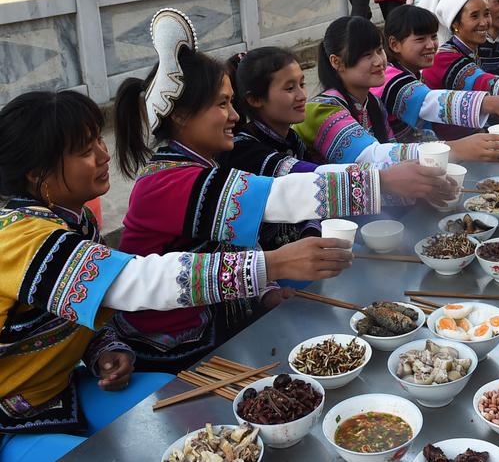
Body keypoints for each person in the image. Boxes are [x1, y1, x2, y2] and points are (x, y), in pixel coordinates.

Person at [0, 88, 356, 459]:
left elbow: (79, 312)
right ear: (37, 174)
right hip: (11, 419)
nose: (104, 155)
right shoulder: (18, 239)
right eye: (86, 150)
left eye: (98, 142)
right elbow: (134, 281)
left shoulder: (76, 221)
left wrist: (104, 350)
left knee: (190, 417)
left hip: (64, 391)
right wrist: (273, 264)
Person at [110, 9, 407, 371]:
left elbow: (239, 236)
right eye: (222, 104)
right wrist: (379, 181)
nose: (235, 116)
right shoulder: (165, 181)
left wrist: (265, 291)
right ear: (181, 116)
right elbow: (276, 195)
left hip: (215, 325)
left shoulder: (206, 164)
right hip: (170, 349)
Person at [219, 46, 459, 251]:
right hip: (271, 266)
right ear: (254, 99)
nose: (303, 95)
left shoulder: (292, 138)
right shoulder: (245, 148)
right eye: (289, 88)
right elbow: (305, 178)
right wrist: (383, 180)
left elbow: (313, 209)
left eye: (302, 84)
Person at [296, 15, 499, 165]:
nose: (379, 61)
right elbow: (370, 156)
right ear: (336, 62)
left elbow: (392, 150)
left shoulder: (372, 102)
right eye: (366, 55)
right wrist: (454, 149)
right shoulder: (322, 110)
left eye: (378, 51)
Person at [375, 5, 499, 143]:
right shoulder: (392, 78)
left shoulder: (414, 72)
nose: (431, 45)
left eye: (433, 36)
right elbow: (430, 102)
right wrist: (493, 103)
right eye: (420, 39)